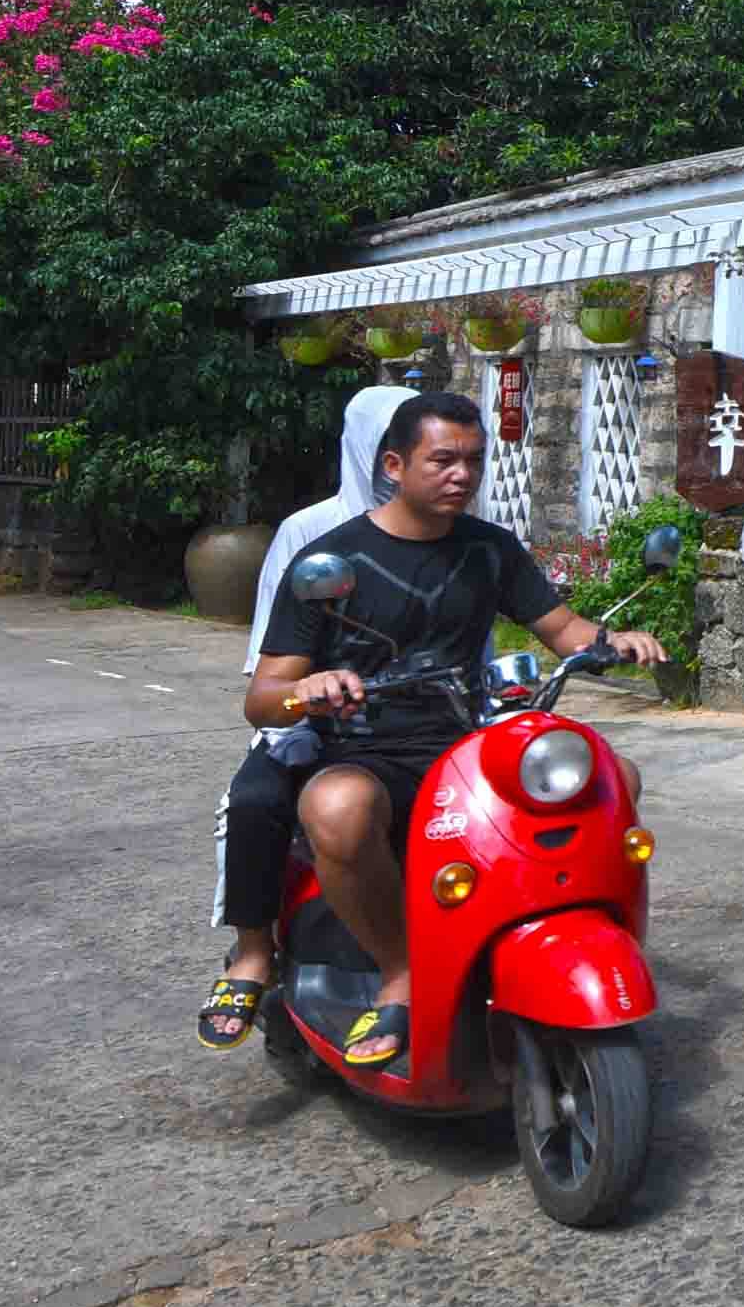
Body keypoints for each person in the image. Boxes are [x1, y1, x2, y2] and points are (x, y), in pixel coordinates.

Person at [245, 389, 666, 1069]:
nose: (461, 475)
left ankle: (563, 939)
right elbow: (262, 698)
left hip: (469, 741)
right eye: (442, 459)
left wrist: (617, 639)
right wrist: (307, 687)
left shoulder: (489, 550)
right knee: (337, 808)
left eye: (473, 460)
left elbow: (562, 630)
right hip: (368, 749)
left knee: (614, 776)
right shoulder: (329, 562)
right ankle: (401, 972)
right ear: (393, 464)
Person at [194, 384, 412, 1050]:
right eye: (386, 453)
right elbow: (267, 672)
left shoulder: (460, 533)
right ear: (363, 452)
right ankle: (254, 950)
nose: (395, 469)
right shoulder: (308, 532)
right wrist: (310, 690)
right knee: (257, 798)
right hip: (316, 721)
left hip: (423, 720)